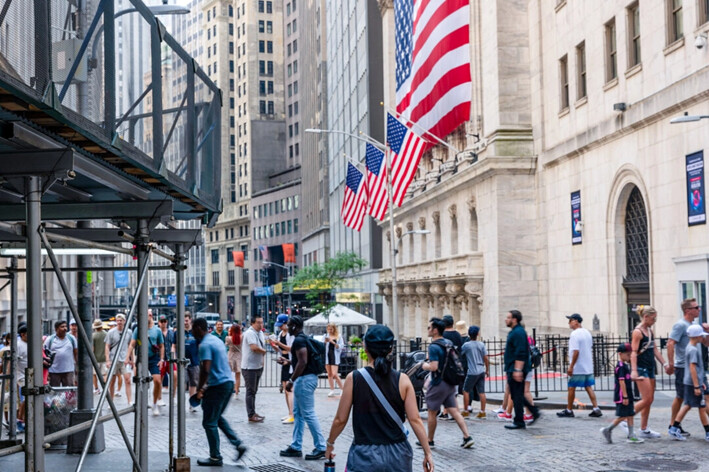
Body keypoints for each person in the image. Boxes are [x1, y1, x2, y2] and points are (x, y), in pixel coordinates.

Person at [324, 324, 434, 472]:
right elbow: (415, 420)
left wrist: (330, 443)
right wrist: (427, 453)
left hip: (364, 454)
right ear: (391, 349)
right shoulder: (403, 380)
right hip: (398, 454)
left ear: (365, 347)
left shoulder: (354, 378)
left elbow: (340, 420)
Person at [192, 318, 248, 466]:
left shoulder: (205, 344)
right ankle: (238, 444)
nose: (191, 331)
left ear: (198, 328)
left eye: (193, 328)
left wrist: (199, 389)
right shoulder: (215, 340)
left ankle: (215, 457)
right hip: (228, 383)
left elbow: (206, 369)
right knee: (217, 417)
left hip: (218, 386)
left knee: (209, 422)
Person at [418, 317, 474, 448]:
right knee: (454, 410)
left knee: (432, 412)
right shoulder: (448, 342)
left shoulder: (433, 346)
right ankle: (467, 436)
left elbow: (434, 367)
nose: (428, 330)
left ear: (435, 330)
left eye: (429, 327)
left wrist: (423, 365)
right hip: (450, 382)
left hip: (438, 383)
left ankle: (429, 440)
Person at [279, 315, 327, 460]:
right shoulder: (302, 339)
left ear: (294, 326)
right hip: (305, 379)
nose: (287, 327)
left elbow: (303, 362)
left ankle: (321, 447)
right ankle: (296, 446)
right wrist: (288, 362)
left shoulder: (299, 340)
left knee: (308, 413)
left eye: (289, 325)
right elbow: (301, 361)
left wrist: (291, 380)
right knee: (299, 414)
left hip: (304, 380)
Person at [629, 305, 668, 439]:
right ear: (646, 317)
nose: (655, 321)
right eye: (653, 318)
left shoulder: (650, 331)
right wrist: (634, 371)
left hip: (650, 367)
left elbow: (655, 350)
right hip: (641, 368)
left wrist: (664, 363)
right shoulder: (638, 332)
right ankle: (625, 418)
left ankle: (644, 428)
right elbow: (633, 352)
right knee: (646, 399)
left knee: (649, 399)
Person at [668, 324, 709, 441]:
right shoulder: (693, 350)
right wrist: (697, 385)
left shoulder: (689, 347)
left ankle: (674, 428)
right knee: (700, 406)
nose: (703, 338)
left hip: (690, 382)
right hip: (692, 384)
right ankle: (707, 432)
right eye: (702, 336)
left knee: (688, 405)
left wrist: (700, 382)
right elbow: (693, 368)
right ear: (697, 337)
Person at [557, 314, 602, 418]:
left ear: (576, 321)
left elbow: (576, 351)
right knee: (588, 386)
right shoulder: (587, 333)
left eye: (570, 320)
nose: (569, 323)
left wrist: (571, 366)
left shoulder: (574, 334)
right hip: (587, 365)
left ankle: (569, 410)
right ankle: (596, 408)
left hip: (578, 366)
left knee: (571, 387)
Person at [666, 298, 699, 437]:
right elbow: (670, 343)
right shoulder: (680, 325)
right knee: (682, 397)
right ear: (688, 310)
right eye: (696, 307)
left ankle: (674, 424)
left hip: (690, 365)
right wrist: (671, 363)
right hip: (683, 367)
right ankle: (673, 425)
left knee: (685, 398)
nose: (699, 309)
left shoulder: (691, 324)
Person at [503, 310, 540, 430]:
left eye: (508, 317)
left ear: (514, 319)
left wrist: (517, 370)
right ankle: (532, 412)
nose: (506, 319)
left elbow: (520, 352)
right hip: (513, 367)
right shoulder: (515, 332)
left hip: (516, 368)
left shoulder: (518, 333)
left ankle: (520, 420)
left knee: (517, 395)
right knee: (516, 394)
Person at [600, 343, 643, 444]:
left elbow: (627, 379)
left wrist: (636, 379)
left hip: (627, 394)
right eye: (627, 355)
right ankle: (608, 429)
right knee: (623, 416)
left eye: (630, 355)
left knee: (630, 414)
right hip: (623, 395)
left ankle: (631, 435)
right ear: (620, 354)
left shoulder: (624, 366)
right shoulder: (620, 367)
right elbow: (621, 381)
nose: (629, 357)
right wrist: (625, 396)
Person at [128, 311, 165, 415]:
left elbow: (161, 346)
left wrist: (161, 359)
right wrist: (128, 359)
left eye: (146, 315)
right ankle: (141, 402)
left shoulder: (157, 330)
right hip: (141, 358)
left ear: (151, 316)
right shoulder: (138, 329)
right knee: (139, 381)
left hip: (153, 358)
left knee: (157, 381)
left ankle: (154, 403)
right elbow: (132, 344)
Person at [269, 314, 294, 424]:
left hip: (290, 361)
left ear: (286, 323)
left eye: (281, 325)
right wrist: (275, 346)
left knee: (290, 389)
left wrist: (278, 343)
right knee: (285, 388)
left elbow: (291, 348)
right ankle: (289, 412)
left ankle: (292, 414)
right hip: (283, 359)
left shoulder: (290, 334)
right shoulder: (280, 334)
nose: (279, 327)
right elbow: (280, 350)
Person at [241, 315, 266, 422]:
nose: (261, 325)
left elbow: (261, 346)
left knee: (254, 391)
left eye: (261, 322)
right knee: (250, 391)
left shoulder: (260, 333)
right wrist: (264, 352)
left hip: (257, 366)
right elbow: (254, 348)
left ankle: (253, 412)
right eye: (258, 323)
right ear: (252, 323)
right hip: (249, 367)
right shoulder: (249, 333)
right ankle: (250, 414)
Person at [461, 326, 489, 419]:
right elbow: (486, 358)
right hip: (481, 370)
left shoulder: (466, 345)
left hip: (472, 371)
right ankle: (483, 411)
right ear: (477, 334)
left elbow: (460, 354)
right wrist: (487, 369)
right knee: (482, 392)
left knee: (466, 390)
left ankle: (466, 411)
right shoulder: (481, 345)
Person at [105, 314, 133, 403]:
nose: (119, 322)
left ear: (124, 321)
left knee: (128, 380)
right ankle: (111, 401)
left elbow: (130, 346)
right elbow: (107, 346)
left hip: (124, 359)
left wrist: (131, 359)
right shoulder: (111, 332)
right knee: (112, 382)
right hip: (113, 359)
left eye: (121, 320)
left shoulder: (129, 332)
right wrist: (107, 360)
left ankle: (129, 401)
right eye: (118, 320)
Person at [44, 320, 78, 387]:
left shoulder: (71, 338)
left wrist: (77, 367)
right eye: (62, 327)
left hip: (68, 370)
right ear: (56, 329)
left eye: (65, 326)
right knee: (55, 393)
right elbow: (44, 353)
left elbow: (76, 353)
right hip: (54, 371)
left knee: (69, 393)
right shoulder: (50, 339)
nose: (65, 328)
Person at [184, 312, 201, 410]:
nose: (185, 322)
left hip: (194, 361)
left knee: (193, 383)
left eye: (187, 320)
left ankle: (192, 402)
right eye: (184, 320)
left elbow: (200, 345)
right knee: (183, 382)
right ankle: (182, 401)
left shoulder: (195, 332)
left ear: (190, 320)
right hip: (182, 361)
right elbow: (174, 345)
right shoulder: (178, 332)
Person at [324, 323, 345, 397]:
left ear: (334, 329)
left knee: (334, 374)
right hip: (327, 356)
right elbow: (321, 345)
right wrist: (325, 342)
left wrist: (332, 342)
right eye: (328, 329)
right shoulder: (325, 336)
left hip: (334, 356)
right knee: (329, 374)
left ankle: (342, 389)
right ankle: (332, 390)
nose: (329, 331)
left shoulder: (338, 336)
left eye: (331, 329)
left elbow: (341, 347)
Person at [158, 314, 176, 393]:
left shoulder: (171, 333)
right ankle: (159, 397)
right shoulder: (157, 332)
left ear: (167, 322)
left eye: (164, 321)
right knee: (159, 378)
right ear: (159, 322)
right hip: (160, 358)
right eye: (161, 321)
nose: (163, 323)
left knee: (175, 375)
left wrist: (174, 356)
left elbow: (174, 345)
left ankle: (174, 394)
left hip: (170, 358)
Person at [224, 324, 242, 396]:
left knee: (230, 374)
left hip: (230, 355)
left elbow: (226, 345)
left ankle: (231, 388)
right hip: (239, 355)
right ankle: (237, 390)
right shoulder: (241, 337)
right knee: (238, 375)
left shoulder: (228, 338)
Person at [92, 319, 107, 395]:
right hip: (105, 358)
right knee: (104, 374)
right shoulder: (106, 334)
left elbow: (92, 348)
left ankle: (96, 388)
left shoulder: (93, 336)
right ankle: (105, 387)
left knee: (94, 374)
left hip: (95, 359)